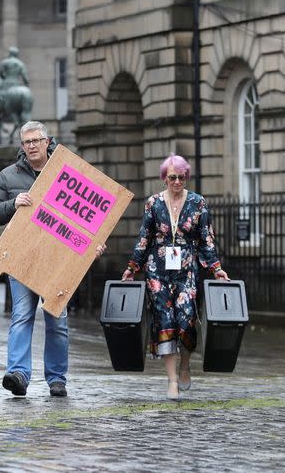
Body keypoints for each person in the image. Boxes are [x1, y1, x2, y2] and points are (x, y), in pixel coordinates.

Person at [0, 121, 105, 398]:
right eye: (27, 142)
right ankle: (18, 374)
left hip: (58, 263)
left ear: (48, 141)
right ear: (22, 145)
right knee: (22, 316)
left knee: (57, 321)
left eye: (36, 140)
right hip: (22, 258)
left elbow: (92, 216)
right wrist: (12, 205)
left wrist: (94, 245)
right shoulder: (8, 176)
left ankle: (56, 379)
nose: (32, 146)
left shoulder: (69, 173)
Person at [121, 154, 228, 400]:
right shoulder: (154, 203)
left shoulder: (198, 203)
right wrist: (133, 266)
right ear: (164, 178)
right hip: (157, 270)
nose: (177, 182)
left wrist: (215, 268)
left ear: (186, 177)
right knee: (164, 320)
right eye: (172, 177)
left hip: (187, 268)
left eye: (181, 177)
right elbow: (144, 238)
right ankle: (171, 380)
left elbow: (206, 239)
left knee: (186, 319)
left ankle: (185, 366)